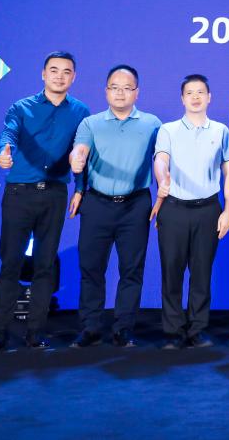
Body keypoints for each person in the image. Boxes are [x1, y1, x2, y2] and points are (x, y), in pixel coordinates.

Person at [0, 52, 90, 352]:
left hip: (54, 194)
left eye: (66, 72)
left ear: (73, 77)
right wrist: (3, 151)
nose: (60, 76)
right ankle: (0, 333)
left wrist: (79, 189)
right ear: (43, 74)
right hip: (19, 194)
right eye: (54, 70)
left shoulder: (81, 112)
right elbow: (8, 133)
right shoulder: (21, 107)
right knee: (11, 264)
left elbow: (83, 152)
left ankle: (35, 333)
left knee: (45, 265)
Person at [68, 65, 161, 348]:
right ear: (106, 91)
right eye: (114, 87)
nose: (120, 93)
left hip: (135, 204)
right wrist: (76, 161)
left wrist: (164, 195)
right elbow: (80, 150)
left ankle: (123, 329)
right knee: (91, 268)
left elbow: (163, 160)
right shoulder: (91, 123)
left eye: (127, 88)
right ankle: (91, 328)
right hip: (97, 203)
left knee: (131, 270)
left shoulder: (152, 124)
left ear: (137, 92)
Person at [151, 74, 229, 349]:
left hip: (208, 209)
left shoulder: (220, 131)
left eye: (200, 92)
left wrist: (228, 210)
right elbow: (161, 160)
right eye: (190, 92)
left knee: (201, 273)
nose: (195, 97)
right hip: (174, 209)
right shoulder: (168, 130)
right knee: (171, 271)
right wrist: (162, 178)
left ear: (209, 97)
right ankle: (173, 331)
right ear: (182, 98)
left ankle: (197, 329)